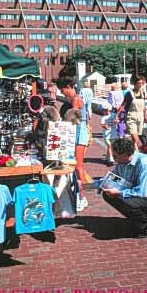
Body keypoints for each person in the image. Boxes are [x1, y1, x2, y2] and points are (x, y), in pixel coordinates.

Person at [102, 138, 147, 238]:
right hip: (138, 191)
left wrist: (119, 192)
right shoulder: (122, 162)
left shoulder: (144, 163)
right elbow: (114, 178)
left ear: (124, 155)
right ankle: (138, 219)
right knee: (107, 195)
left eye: (115, 156)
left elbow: (142, 192)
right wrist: (93, 184)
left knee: (127, 201)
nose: (113, 159)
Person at [58, 76, 89, 211]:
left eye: (62, 89)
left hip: (79, 132)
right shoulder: (73, 99)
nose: (62, 92)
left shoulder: (76, 100)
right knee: (75, 164)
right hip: (76, 131)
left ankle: (83, 197)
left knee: (79, 166)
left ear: (68, 87)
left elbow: (73, 118)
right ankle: (79, 195)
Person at [115, 76, 147, 151]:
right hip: (131, 117)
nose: (140, 85)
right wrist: (117, 116)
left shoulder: (143, 94)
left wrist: (145, 116)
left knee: (137, 137)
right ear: (134, 84)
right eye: (139, 83)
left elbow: (144, 106)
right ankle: (137, 153)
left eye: (141, 83)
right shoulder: (129, 94)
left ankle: (135, 154)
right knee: (135, 138)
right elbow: (123, 105)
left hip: (140, 117)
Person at [101, 102, 117, 166]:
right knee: (109, 145)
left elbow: (117, 120)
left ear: (107, 109)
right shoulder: (103, 117)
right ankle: (111, 158)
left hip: (113, 134)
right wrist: (105, 126)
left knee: (110, 147)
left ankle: (108, 157)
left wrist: (116, 121)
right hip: (106, 135)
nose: (102, 111)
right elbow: (102, 124)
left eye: (103, 110)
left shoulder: (113, 115)